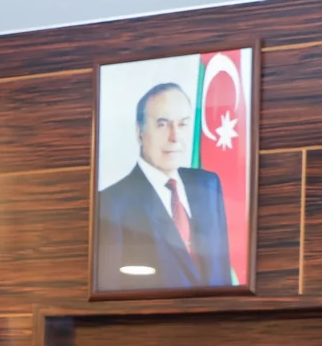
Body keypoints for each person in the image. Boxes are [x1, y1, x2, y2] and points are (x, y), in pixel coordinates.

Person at [96, 82, 232, 292]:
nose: (175, 136)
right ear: (139, 131)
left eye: (183, 124)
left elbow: (223, 275)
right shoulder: (110, 204)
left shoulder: (209, 185)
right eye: (162, 124)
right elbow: (111, 290)